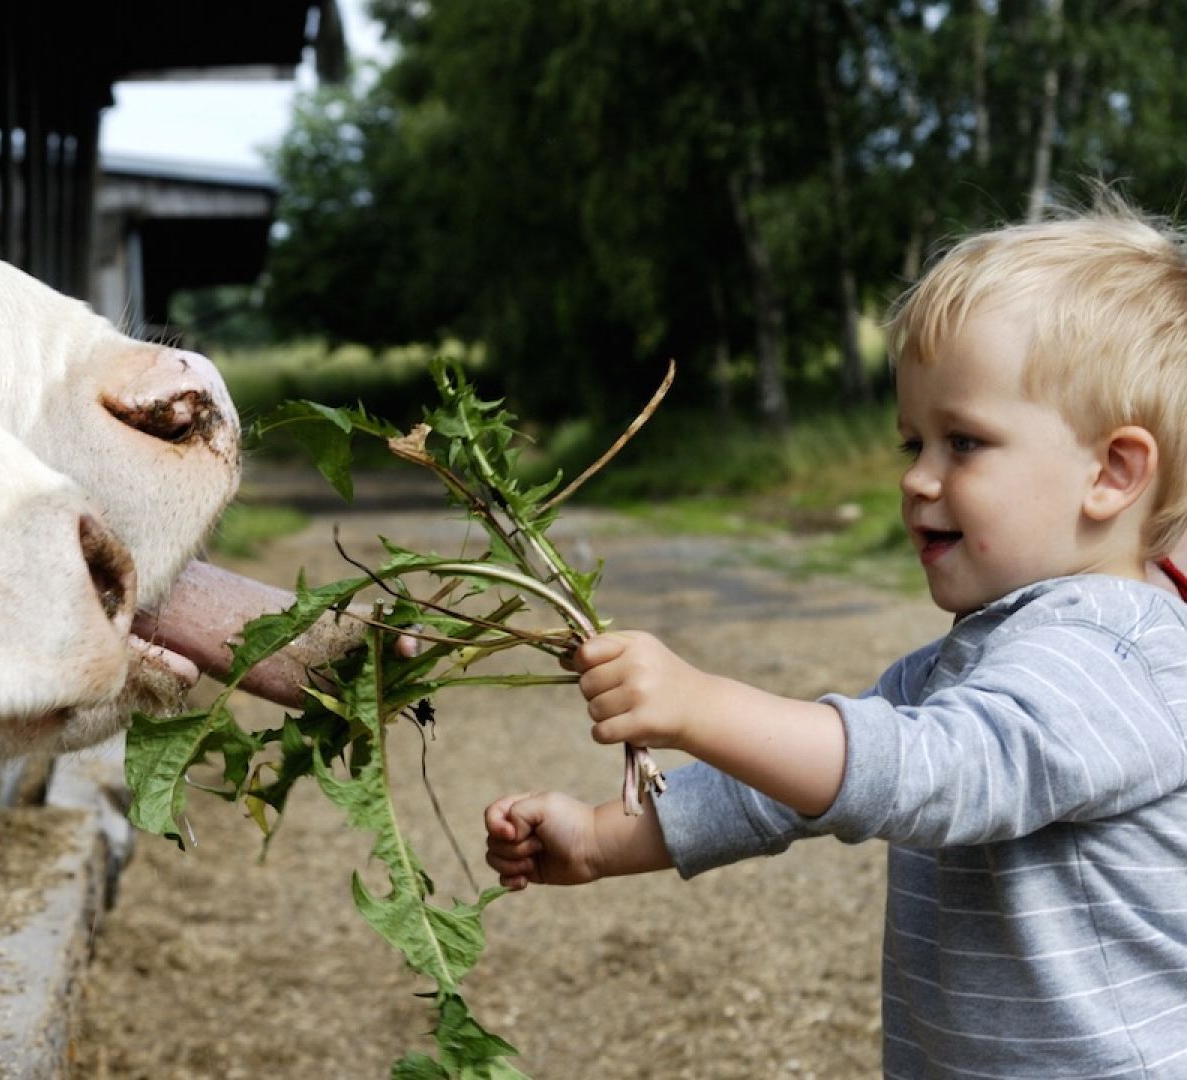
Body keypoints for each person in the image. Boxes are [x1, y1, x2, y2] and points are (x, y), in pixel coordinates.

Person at [485, 199, 1187, 1077]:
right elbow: (784, 786)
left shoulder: (1117, 655)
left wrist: (703, 706)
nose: (917, 478)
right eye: (912, 441)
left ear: (1113, 472)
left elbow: (927, 776)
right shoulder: (972, 656)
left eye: (963, 442)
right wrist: (598, 837)